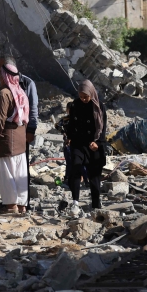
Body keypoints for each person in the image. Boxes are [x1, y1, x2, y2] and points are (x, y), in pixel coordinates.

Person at [0, 56, 38, 212]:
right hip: (19, 138)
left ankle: (11, 205)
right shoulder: (19, 91)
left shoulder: (4, 93)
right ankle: (22, 205)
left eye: (0, 72)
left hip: (6, 138)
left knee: (5, 171)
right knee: (19, 172)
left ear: (5, 75)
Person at [64, 80, 107, 210]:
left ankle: (96, 204)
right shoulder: (75, 105)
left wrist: (98, 143)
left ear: (91, 94)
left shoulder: (99, 106)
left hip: (94, 145)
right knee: (75, 168)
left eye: (86, 97)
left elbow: (102, 127)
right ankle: (75, 202)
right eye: (81, 96)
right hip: (78, 143)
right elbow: (71, 124)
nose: (83, 99)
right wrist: (69, 137)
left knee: (94, 176)